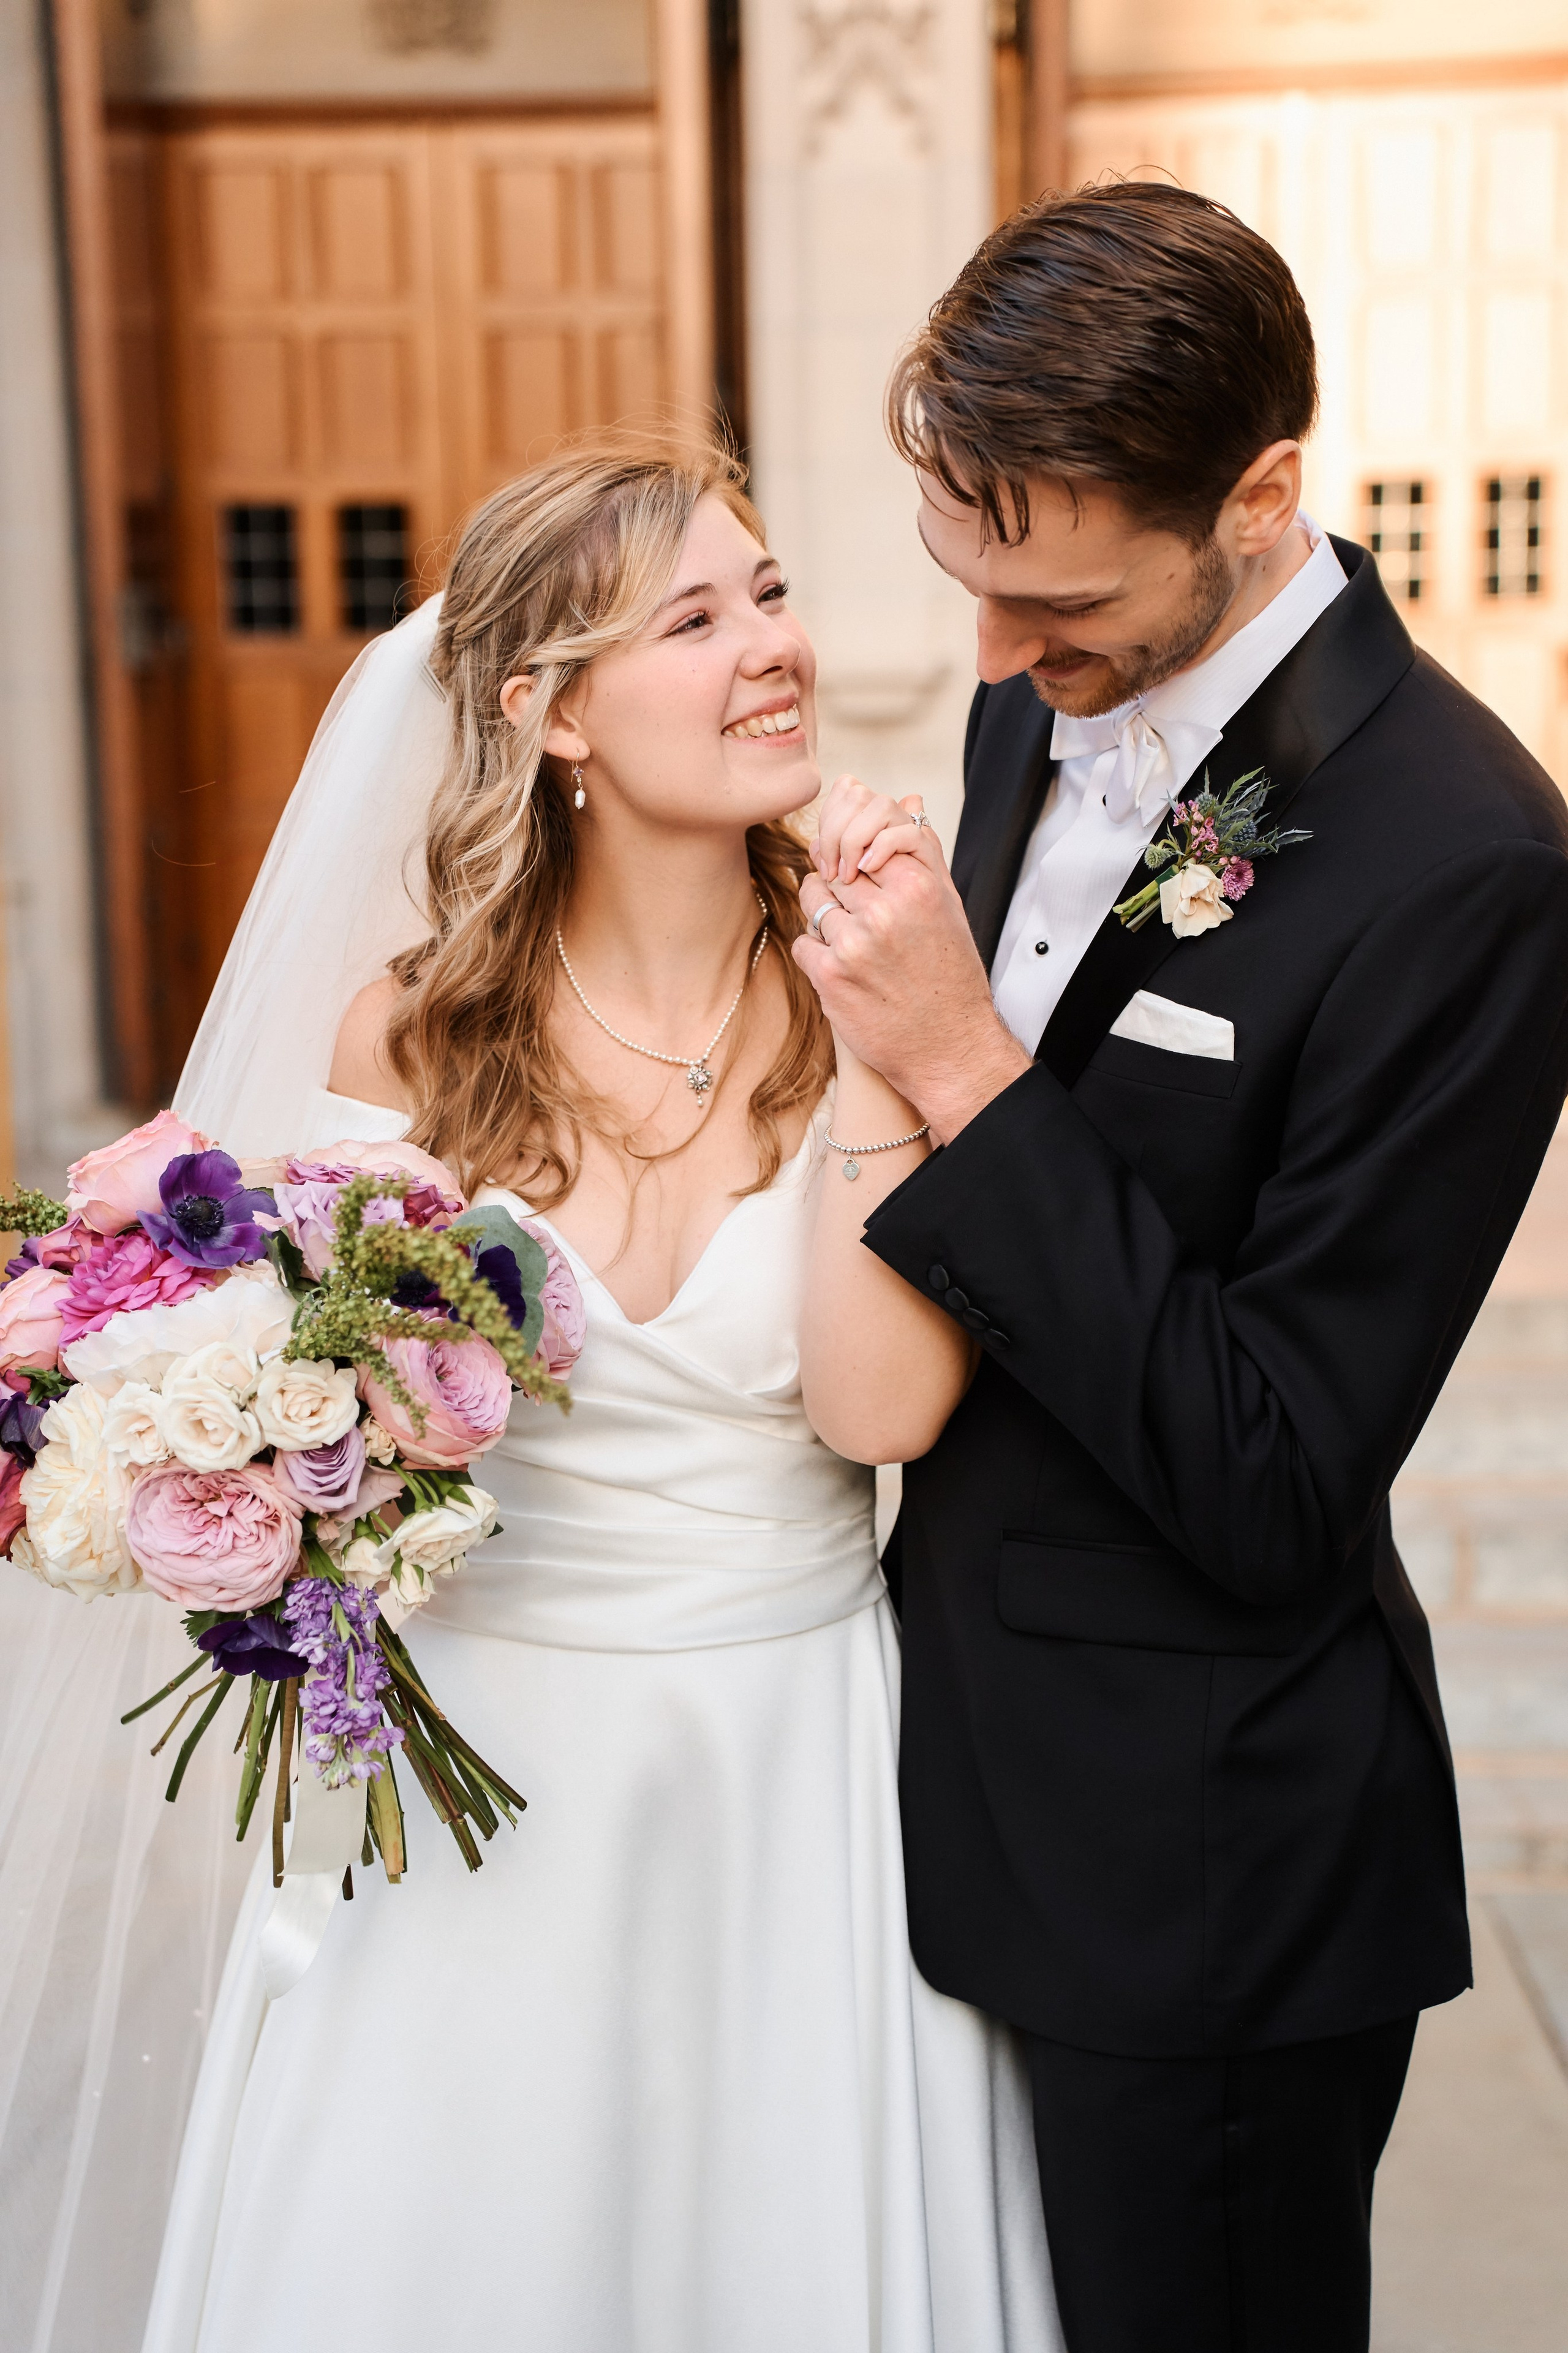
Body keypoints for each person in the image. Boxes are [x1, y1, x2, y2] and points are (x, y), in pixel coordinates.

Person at [138, 440, 1059, 2352]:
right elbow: (310, 1427)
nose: (774, 648)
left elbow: (880, 1414)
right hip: (476, 1790)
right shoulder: (403, 1029)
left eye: (777, 592)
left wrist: (891, 1050)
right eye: (697, 619)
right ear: (549, 713)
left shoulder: (865, 987)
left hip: (785, 1767)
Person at [793, 181, 1568, 2353]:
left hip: (1207, 1873)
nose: (994, 660)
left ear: (1262, 495)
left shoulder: (1471, 867)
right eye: (967, 580)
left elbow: (1268, 1469)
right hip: (951, 1790)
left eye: (1056, 599)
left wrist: (959, 1063)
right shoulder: (1025, 705)